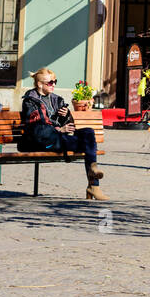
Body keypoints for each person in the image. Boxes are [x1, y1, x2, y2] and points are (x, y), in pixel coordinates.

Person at [19, 68, 107, 200]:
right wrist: (59, 129)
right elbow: (38, 127)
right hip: (40, 142)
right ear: (39, 84)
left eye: (55, 81)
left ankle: (93, 176)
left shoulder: (56, 99)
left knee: (88, 132)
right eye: (50, 83)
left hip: (58, 138)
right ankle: (93, 184)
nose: (53, 85)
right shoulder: (30, 100)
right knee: (87, 146)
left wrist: (65, 116)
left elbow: (65, 124)